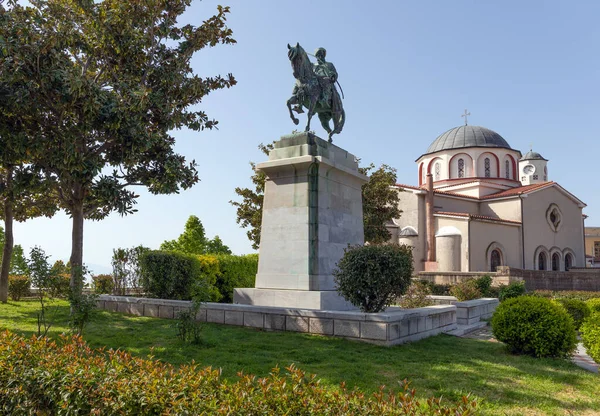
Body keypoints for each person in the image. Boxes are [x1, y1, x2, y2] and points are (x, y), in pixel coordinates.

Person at [313, 47, 342, 113]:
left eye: (320, 55)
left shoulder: (329, 64)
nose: (318, 57)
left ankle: (325, 99)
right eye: (317, 56)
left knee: (325, 80)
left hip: (327, 82)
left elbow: (335, 73)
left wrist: (333, 75)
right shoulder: (314, 66)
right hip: (316, 83)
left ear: (323, 55)